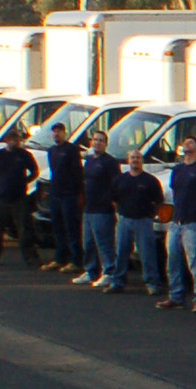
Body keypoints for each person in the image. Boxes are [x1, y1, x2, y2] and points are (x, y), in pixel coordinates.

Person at [163, 136, 196, 312]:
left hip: (193, 222)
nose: (187, 144)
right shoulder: (177, 170)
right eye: (184, 142)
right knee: (173, 261)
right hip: (176, 221)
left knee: (195, 262)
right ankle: (176, 296)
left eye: (191, 142)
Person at [0, 129, 42, 267]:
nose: (16, 142)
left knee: (25, 228)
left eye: (18, 139)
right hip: (1, 196)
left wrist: (25, 181)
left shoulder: (24, 155)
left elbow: (35, 171)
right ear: (7, 140)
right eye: (13, 139)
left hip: (19, 197)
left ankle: (31, 256)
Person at [109, 152, 165, 297]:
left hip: (144, 221)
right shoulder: (120, 180)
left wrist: (151, 215)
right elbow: (114, 199)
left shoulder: (150, 181)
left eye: (138, 158)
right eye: (133, 158)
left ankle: (152, 284)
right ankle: (117, 283)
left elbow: (159, 201)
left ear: (142, 161)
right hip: (124, 220)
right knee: (121, 253)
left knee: (147, 255)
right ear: (128, 160)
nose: (135, 160)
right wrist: (120, 213)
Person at [76, 133, 121, 288]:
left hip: (103, 210)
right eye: (95, 140)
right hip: (89, 208)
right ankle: (91, 271)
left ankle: (109, 272)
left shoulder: (110, 162)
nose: (97, 143)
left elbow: (116, 185)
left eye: (101, 141)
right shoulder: (89, 161)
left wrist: (112, 203)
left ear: (106, 144)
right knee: (88, 243)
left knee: (104, 243)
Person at [43, 124, 87, 272]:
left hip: (70, 194)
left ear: (65, 133)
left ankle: (76, 260)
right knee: (57, 227)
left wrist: (78, 193)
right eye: (54, 132)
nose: (56, 135)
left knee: (71, 227)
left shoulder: (72, 150)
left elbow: (78, 173)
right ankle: (60, 258)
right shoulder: (51, 151)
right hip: (56, 193)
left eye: (59, 132)